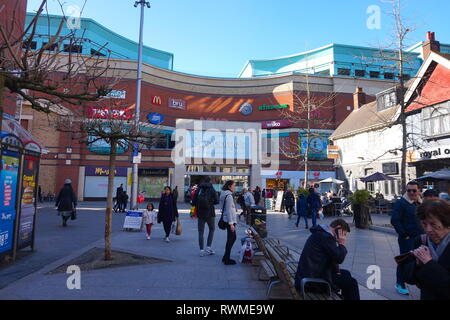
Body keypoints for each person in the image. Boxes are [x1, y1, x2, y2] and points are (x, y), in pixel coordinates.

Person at [294, 219, 359, 300]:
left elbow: (333, 257)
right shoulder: (326, 237)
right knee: (352, 283)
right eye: (344, 234)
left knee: (346, 274)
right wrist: (341, 244)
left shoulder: (322, 234)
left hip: (310, 273)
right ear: (338, 228)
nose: (344, 237)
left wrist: (337, 271)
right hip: (312, 282)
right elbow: (339, 258)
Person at [403, 200, 450, 300]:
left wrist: (429, 263)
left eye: (433, 224)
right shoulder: (421, 241)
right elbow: (409, 279)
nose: (428, 229)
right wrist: (417, 264)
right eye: (424, 224)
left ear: (447, 223)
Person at [391, 181, 424, 295]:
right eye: (408, 190)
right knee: (405, 260)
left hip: (421, 237)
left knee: (421, 260)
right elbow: (395, 220)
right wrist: (404, 234)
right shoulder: (401, 203)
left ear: (419, 190)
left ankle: (421, 282)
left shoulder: (421, 203)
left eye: (413, 190)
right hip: (407, 239)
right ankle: (400, 283)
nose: (411, 192)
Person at [192, 177, 219, 257]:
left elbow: (193, 202)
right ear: (210, 181)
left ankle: (201, 250)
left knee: (201, 231)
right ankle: (208, 247)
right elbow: (217, 201)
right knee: (212, 229)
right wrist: (210, 202)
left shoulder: (199, 189)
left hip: (200, 213)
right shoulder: (212, 189)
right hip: (210, 213)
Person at [220, 180, 238, 265]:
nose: (235, 187)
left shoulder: (224, 194)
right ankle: (227, 259)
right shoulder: (229, 196)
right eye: (233, 185)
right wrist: (231, 224)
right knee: (232, 238)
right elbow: (228, 210)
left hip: (227, 219)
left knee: (231, 238)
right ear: (229, 187)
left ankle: (225, 257)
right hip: (229, 220)